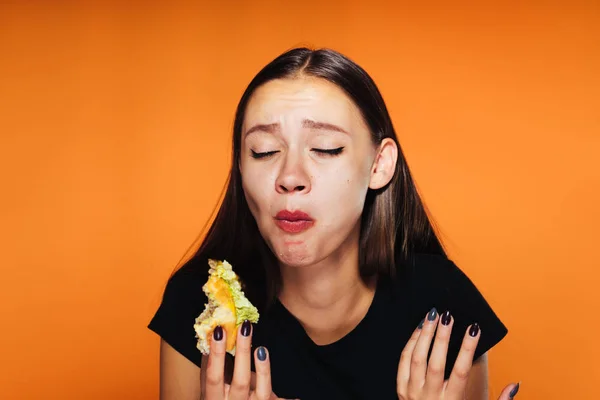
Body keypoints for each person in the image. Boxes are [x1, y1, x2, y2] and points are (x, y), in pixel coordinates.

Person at [148, 47, 519, 400]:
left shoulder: (442, 305)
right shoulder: (199, 305)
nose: (290, 177)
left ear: (379, 165)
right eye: (264, 150)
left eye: (325, 147)